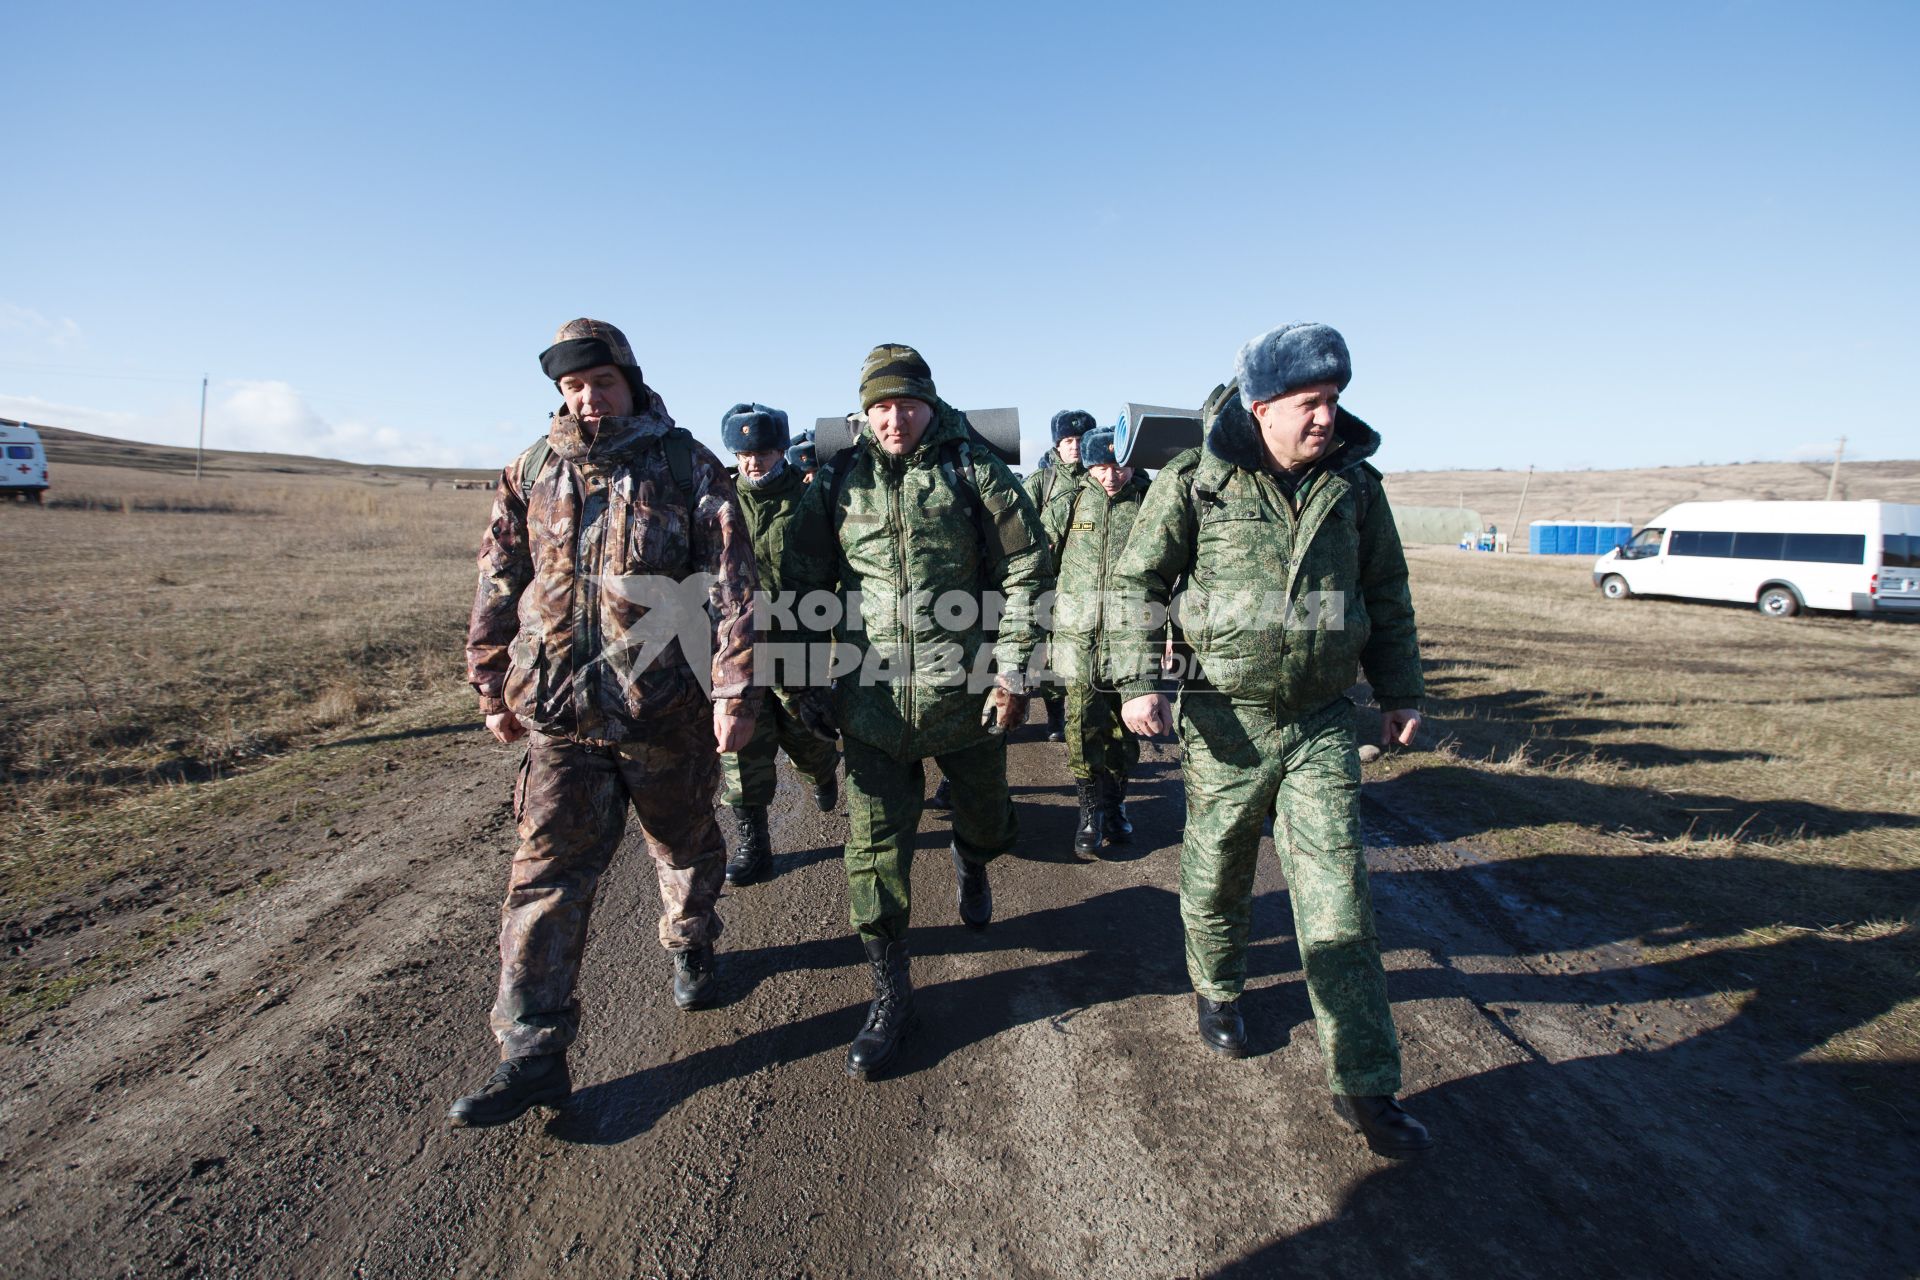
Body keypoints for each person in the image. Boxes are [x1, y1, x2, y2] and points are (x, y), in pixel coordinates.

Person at [1111, 323, 1433, 1158]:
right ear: (1261, 408)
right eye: (1308, 403)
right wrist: (1137, 679)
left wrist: (1399, 689)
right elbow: (1139, 580)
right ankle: (1218, 988)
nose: (1326, 418)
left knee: (1338, 898)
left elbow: (1385, 588)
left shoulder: (1356, 487)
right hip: (1227, 719)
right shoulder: (1197, 482)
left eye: (1333, 401)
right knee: (1217, 870)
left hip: (1323, 721)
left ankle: (1365, 1084)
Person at [451, 318, 758, 1128]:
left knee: (684, 844)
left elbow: (732, 585)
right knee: (544, 880)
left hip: (664, 714)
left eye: (601, 383)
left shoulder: (685, 462)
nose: (588, 400)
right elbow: (497, 575)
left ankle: (691, 939)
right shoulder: (531, 470)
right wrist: (490, 681)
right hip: (560, 719)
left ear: (629, 378)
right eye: (572, 388)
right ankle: (532, 1053)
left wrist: (734, 690)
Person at [783, 343, 1049, 1079]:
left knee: (989, 817)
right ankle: (889, 989)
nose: (893, 419)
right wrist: (802, 679)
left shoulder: (973, 471)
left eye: (905, 404)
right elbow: (801, 576)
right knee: (873, 853)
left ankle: (973, 857)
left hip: (967, 699)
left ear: (930, 404)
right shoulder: (836, 478)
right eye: (878, 407)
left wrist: (1014, 670)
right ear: (862, 414)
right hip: (871, 709)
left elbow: (1025, 565)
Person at [718, 403, 840, 885]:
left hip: (798, 648)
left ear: (782, 451)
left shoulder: (812, 501)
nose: (753, 463)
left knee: (808, 739)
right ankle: (755, 845)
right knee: (742, 752)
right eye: (744, 453)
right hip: (739, 655)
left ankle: (823, 772)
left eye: (764, 452)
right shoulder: (720, 502)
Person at [1041, 425, 1150, 856]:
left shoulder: (1149, 504)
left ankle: (1116, 802)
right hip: (1077, 637)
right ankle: (1088, 811)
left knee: (1126, 730)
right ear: (1087, 466)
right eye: (1101, 468)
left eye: (1119, 466)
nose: (1111, 477)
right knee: (1081, 724)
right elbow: (1039, 561)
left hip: (1132, 639)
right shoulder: (1069, 503)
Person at [1023, 409, 1094, 743]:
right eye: (1068, 440)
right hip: (1050, 579)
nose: (1075, 447)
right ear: (1058, 444)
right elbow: (1019, 526)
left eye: (1080, 440)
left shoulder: (1100, 476)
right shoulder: (1043, 481)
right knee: (1050, 651)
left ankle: (1089, 715)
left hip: (1088, 583)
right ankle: (1055, 715)